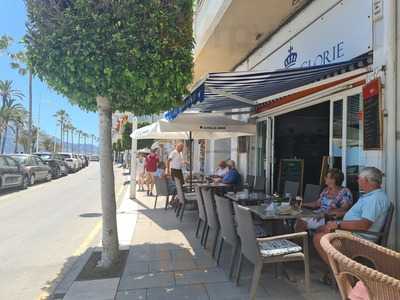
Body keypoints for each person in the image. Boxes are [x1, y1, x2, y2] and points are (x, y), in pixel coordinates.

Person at [314, 167, 390, 266]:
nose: (357, 181)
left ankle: (341, 274)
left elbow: (363, 225)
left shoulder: (374, 199)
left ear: (366, 181)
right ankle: (339, 268)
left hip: (360, 239)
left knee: (318, 237)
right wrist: (341, 215)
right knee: (321, 229)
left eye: (359, 178)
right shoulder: (372, 195)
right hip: (354, 233)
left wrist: (338, 224)